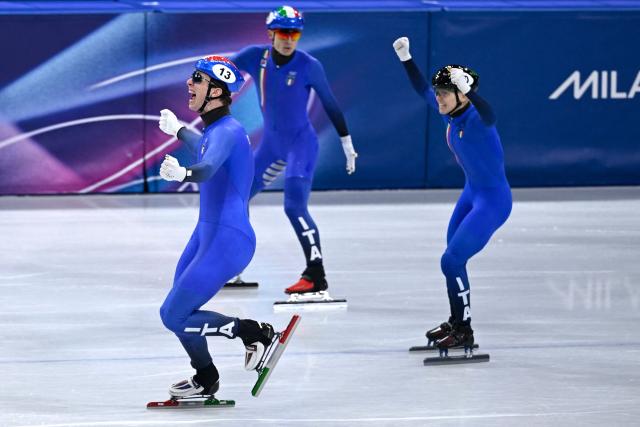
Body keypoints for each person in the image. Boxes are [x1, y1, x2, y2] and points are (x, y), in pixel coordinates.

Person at [160, 5, 357, 297]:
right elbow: (220, 72)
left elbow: (329, 103)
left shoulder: (309, 65)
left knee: (294, 207)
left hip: (300, 146)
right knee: (236, 196)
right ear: (270, 33)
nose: (289, 39)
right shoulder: (256, 56)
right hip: (271, 145)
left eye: (295, 33)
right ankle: (228, 263)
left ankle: (316, 275)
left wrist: (346, 142)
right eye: (283, 32)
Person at [157, 55, 278, 399]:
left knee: (174, 315)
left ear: (217, 90)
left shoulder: (230, 130)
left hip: (228, 240)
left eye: (197, 78)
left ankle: (252, 332)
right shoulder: (216, 131)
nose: (188, 83)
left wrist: (183, 173)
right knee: (179, 310)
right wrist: (179, 130)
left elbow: (208, 167)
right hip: (208, 235)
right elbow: (205, 148)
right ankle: (206, 377)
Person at [392, 37, 512, 350]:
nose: (439, 98)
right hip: (472, 193)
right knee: (452, 258)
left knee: (451, 260)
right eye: (439, 93)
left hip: (493, 201)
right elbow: (421, 89)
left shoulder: (477, 119)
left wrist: (471, 93)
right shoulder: (452, 112)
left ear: (462, 95)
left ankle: (465, 330)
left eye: (445, 93)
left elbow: (490, 114)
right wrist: (406, 57)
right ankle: (456, 321)